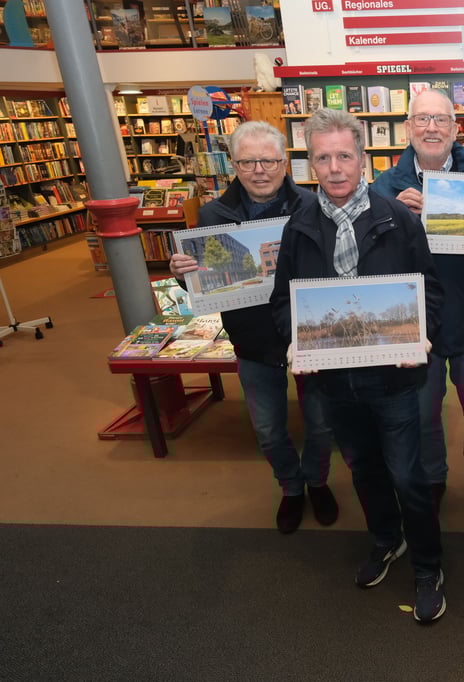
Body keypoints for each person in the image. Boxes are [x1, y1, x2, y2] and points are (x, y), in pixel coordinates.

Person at [269, 108, 447, 623]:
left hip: (395, 380)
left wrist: (420, 334)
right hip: (334, 384)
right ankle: (387, 540)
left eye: (344, 155)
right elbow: (284, 302)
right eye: (322, 158)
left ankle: (429, 565)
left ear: (363, 159)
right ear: (310, 164)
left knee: (409, 475)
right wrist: (295, 340)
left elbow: (428, 291)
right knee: (364, 471)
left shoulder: (400, 219)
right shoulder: (297, 228)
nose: (335, 167)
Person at [169, 120, 335, 535]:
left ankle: (317, 482)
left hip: (308, 335)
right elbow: (207, 280)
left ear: (285, 163)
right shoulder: (212, 214)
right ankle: (291, 487)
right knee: (267, 428)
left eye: (269, 160)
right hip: (253, 340)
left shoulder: (312, 206)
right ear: (234, 165)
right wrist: (182, 273)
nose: (259, 170)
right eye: (248, 162)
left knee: (321, 423)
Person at [372, 89, 464, 526]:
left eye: (441, 120)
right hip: (415, 323)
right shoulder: (385, 187)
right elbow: (373, 256)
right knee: (424, 412)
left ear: (455, 128)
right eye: (422, 119)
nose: (432, 128)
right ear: (408, 128)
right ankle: (433, 480)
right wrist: (398, 219)